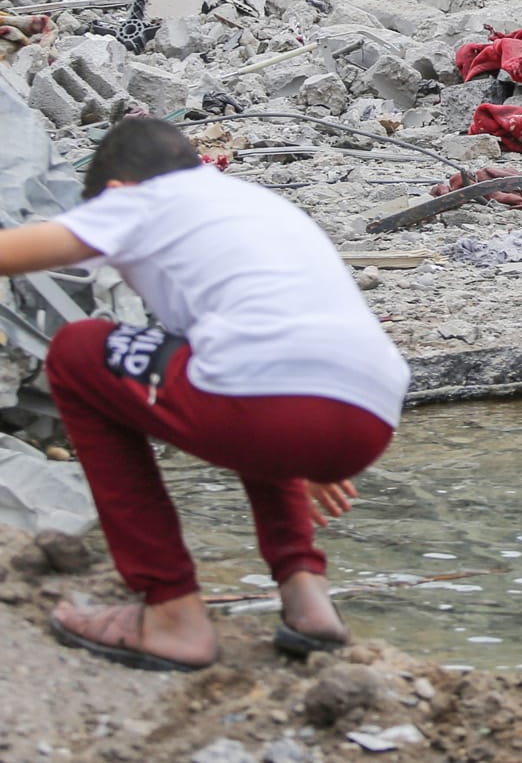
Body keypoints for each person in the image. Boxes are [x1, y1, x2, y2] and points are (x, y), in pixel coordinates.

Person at [0, 118, 408, 672]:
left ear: (116, 191)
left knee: (77, 351)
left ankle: (170, 610)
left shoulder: (135, 201)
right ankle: (307, 599)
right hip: (368, 410)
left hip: (272, 397)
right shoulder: (251, 203)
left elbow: (10, 252)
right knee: (222, 359)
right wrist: (307, 436)